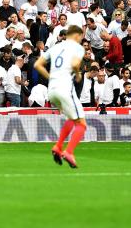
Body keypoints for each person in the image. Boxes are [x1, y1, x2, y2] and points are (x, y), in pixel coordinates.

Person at [34, 25, 87, 169]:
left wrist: (50, 77)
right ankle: (69, 152)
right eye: (81, 37)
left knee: (71, 117)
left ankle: (58, 146)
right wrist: (78, 74)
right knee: (81, 124)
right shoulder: (77, 48)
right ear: (77, 35)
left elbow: (38, 64)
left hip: (52, 90)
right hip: (65, 88)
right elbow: (76, 64)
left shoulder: (55, 47)